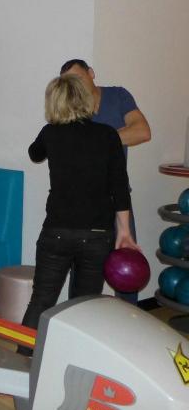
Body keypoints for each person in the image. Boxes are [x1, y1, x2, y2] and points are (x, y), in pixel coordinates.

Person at [21, 74, 138, 341]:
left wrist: (52, 132)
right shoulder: (108, 135)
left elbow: (34, 153)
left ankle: (23, 357)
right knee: (84, 307)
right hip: (97, 235)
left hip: (57, 232)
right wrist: (124, 232)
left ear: (54, 102)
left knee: (41, 301)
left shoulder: (51, 132)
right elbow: (120, 188)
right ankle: (73, 358)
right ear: (86, 100)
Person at [60, 59, 150, 304]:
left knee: (128, 266)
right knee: (83, 275)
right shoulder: (70, 106)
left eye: (79, 78)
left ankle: (128, 323)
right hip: (83, 205)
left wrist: (98, 139)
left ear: (91, 73)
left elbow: (142, 131)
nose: (77, 85)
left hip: (117, 199)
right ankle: (79, 321)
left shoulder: (118, 96)